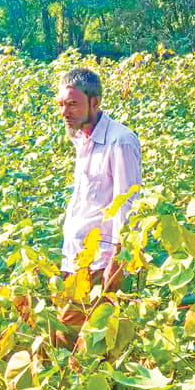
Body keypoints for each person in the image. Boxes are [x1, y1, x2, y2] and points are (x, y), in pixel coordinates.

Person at [55, 68, 142, 341]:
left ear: (95, 102)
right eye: (62, 104)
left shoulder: (120, 141)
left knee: (69, 341)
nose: (65, 111)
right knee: (80, 345)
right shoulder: (81, 138)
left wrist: (116, 266)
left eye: (73, 103)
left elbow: (127, 206)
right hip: (75, 259)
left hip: (99, 265)